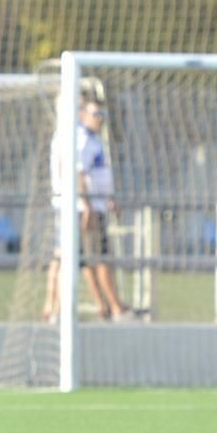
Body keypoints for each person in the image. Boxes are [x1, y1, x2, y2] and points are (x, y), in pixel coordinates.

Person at [42, 98, 131, 323]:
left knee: (81, 259)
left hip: (86, 206)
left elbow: (91, 174)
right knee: (92, 258)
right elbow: (78, 172)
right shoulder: (78, 138)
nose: (100, 119)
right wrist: (87, 204)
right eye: (96, 114)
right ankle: (111, 307)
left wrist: (105, 199)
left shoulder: (86, 138)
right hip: (81, 209)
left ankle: (100, 306)